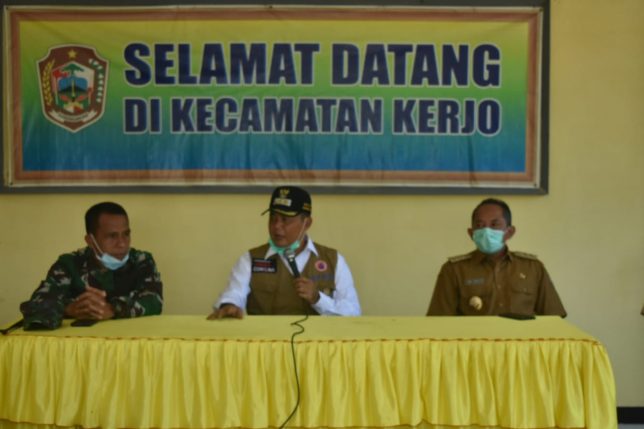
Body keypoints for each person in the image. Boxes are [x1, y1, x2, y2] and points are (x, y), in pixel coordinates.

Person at [209, 186, 361, 318]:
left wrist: (317, 299)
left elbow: (354, 312)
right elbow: (234, 293)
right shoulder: (250, 259)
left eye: (285, 220)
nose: (276, 226)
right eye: (272, 218)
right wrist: (229, 305)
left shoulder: (332, 260)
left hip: (318, 342)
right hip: (266, 341)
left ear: (307, 223)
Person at [20, 202, 163, 330]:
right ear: (90, 240)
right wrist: (70, 309)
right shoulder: (69, 264)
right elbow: (38, 304)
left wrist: (113, 309)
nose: (122, 243)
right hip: (79, 345)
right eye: (112, 236)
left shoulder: (142, 261)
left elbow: (154, 301)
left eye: (126, 234)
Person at [427, 198, 566, 317]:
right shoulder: (453, 270)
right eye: (480, 225)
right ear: (471, 233)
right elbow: (439, 323)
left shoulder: (533, 268)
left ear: (509, 232)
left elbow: (553, 319)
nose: (486, 231)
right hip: (475, 341)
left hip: (522, 341)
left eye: (495, 224)